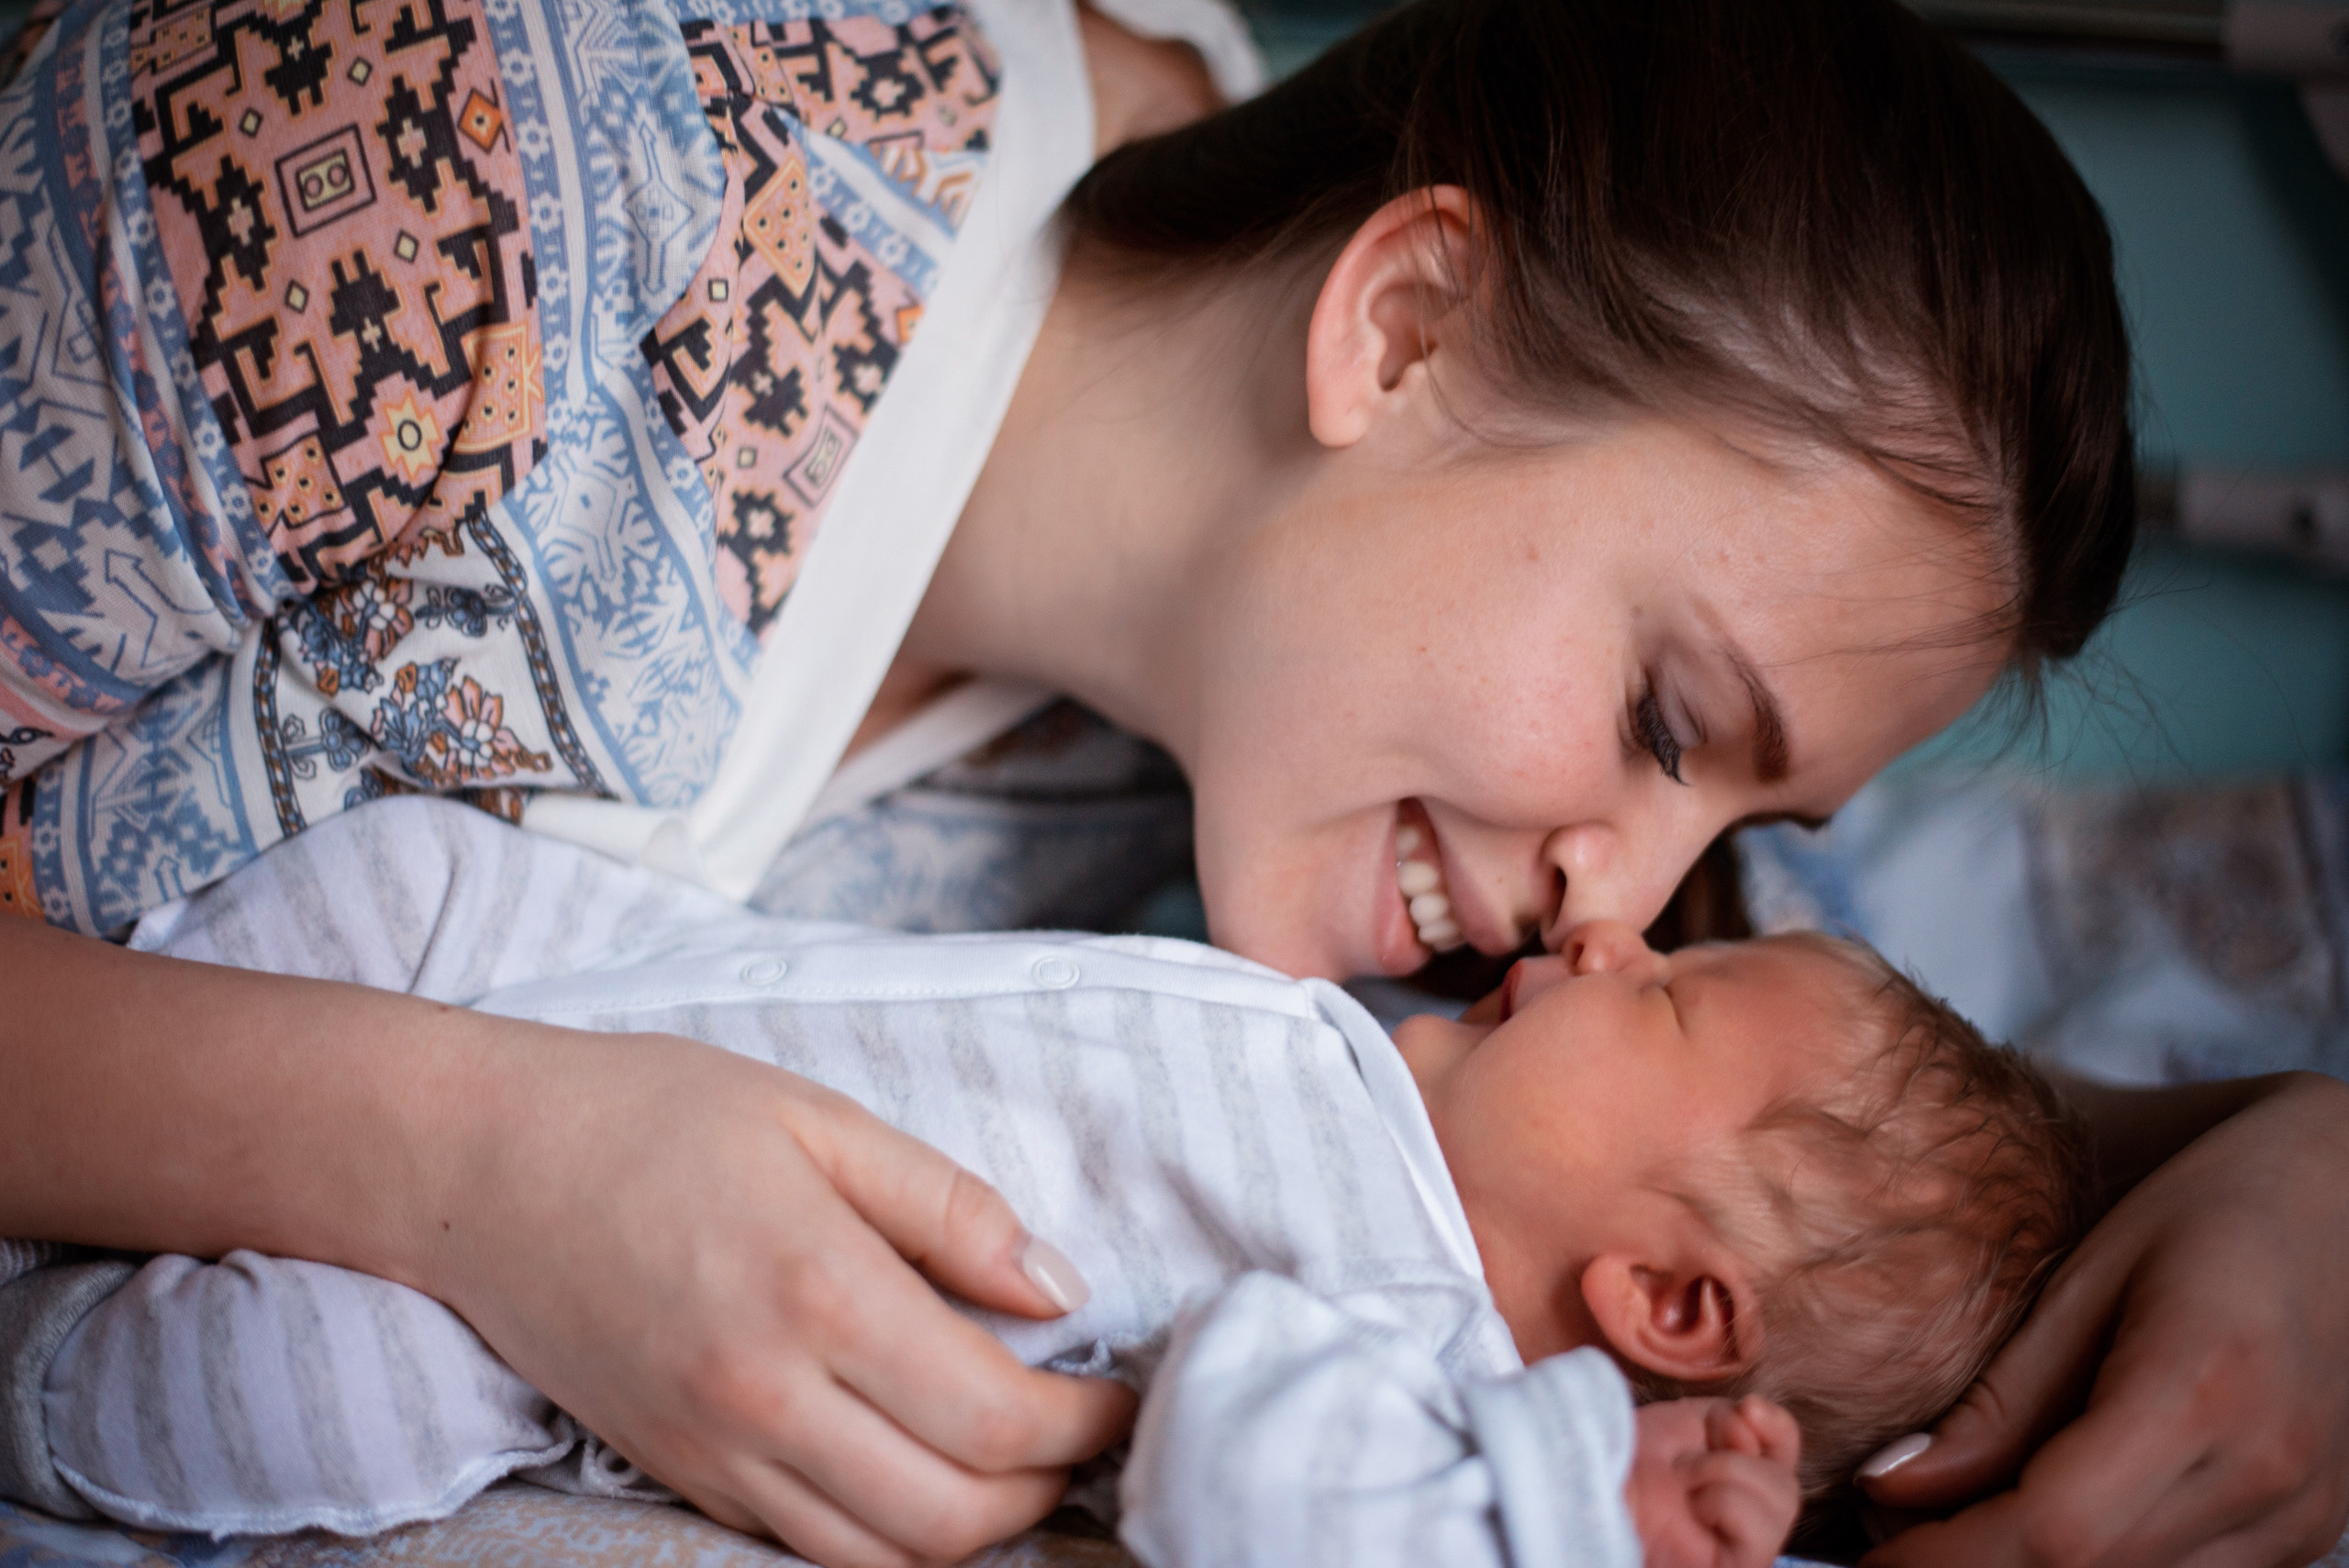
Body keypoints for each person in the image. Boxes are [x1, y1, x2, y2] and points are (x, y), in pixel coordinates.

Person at [1, 0, 2345, 1564]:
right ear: (1403, 328)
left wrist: (2289, 1148)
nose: (1604, 908)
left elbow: (1814, 1198)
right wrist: (478, 1162)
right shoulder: (486, 160)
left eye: (1734, 837)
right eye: (1658, 723)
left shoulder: (1245, 853)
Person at [2, 799, 2089, 1568]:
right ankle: (118, 1039)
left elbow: (1240, 1497)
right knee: (414, 863)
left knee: (334, 1396)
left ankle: (37, 1375)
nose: (1617, 930)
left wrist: (1565, 1502)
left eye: (1669, 1002)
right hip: (606, 992)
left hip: (555, 1342)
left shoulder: (1417, 1373)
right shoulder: (1374, 1063)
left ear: (1665, 1309)